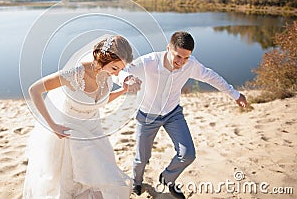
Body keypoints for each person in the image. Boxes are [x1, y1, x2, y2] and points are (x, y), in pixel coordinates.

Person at [121, 31, 248, 198]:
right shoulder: (149, 62)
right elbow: (122, 71)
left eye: (186, 58)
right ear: (168, 48)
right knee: (141, 158)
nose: (181, 62)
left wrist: (235, 95)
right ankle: (137, 182)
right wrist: (124, 79)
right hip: (147, 116)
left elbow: (212, 77)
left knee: (188, 154)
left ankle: (167, 178)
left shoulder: (190, 64)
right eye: (178, 56)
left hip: (173, 113)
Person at [23, 35, 141, 199]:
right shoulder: (75, 74)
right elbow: (34, 90)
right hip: (70, 135)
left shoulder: (106, 74)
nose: (117, 73)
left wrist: (123, 90)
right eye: (115, 68)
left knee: (100, 178)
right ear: (102, 59)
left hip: (94, 132)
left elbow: (99, 102)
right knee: (72, 184)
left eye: (120, 69)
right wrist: (52, 125)